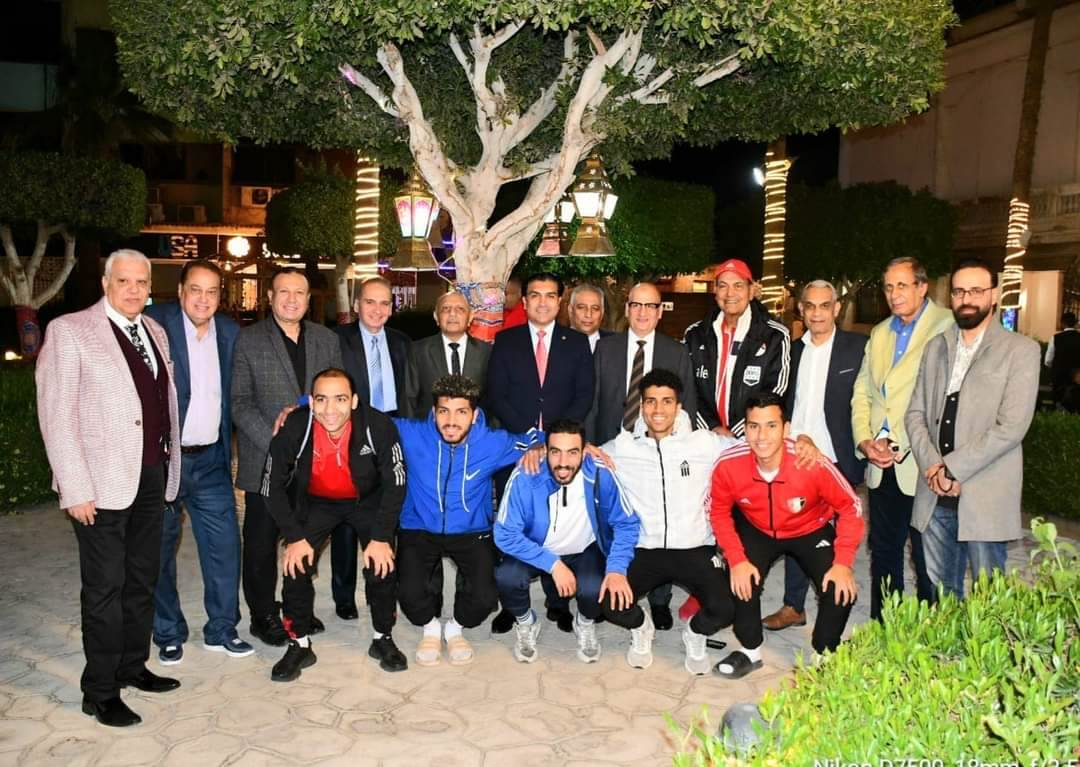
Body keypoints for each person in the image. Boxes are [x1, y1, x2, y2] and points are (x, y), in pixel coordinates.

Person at [36, 249, 182, 727]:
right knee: (104, 589)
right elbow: (57, 416)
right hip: (98, 485)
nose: (134, 289)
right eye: (124, 281)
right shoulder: (70, 331)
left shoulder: (155, 330)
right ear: (105, 283)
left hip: (151, 477)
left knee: (142, 580)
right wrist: (74, 486)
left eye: (141, 282)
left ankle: (131, 666)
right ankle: (99, 691)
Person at [906, 258, 1040, 599]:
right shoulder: (936, 347)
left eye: (976, 290)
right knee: (942, 597)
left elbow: (1012, 426)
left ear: (993, 295)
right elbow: (915, 414)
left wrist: (952, 469)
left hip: (985, 493)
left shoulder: (1020, 351)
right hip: (934, 492)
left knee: (988, 600)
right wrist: (933, 467)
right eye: (959, 291)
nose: (967, 299)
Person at [261, 368, 407, 680]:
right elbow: (270, 487)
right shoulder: (296, 426)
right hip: (316, 502)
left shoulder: (379, 425)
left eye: (340, 399)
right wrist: (293, 537)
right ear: (311, 401)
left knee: (382, 564)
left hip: (365, 501)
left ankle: (382, 638)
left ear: (353, 401)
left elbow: (396, 482)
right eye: (321, 399)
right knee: (295, 564)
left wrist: (382, 536)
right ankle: (300, 644)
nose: (330, 409)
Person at [710, 393, 864, 679]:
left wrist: (843, 562)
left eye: (771, 426)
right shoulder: (729, 464)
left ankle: (825, 654)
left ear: (786, 429)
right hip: (758, 528)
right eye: (754, 426)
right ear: (746, 428)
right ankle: (750, 651)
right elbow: (718, 512)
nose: (762, 436)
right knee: (739, 580)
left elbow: (851, 506)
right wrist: (736, 559)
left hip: (810, 527)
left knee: (840, 588)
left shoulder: (810, 462)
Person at [394, 375, 545, 666]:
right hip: (420, 527)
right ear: (434, 411)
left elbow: (538, 437)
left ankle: (454, 629)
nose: (451, 421)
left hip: (471, 529)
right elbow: (363, 419)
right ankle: (431, 628)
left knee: (485, 597)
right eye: (444, 411)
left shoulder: (492, 442)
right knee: (409, 593)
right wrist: (306, 405)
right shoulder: (412, 433)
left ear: (474, 415)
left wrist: (540, 446)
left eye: (461, 412)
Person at [145, 259, 252, 665]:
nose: (203, 299)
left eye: (212, 291)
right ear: (180, 291)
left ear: (220, 296)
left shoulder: (229, 332)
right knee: (158, 550)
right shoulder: (155, 324)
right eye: (196, 289)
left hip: (211, 460)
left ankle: (222, 629)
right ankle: (168, 632)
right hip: (166, 461)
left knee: (225, 547)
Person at [232, 267, 343, 646]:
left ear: (309, 300)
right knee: (261, 544)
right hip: (264, 459)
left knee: (306, 539)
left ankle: (297, 608)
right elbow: (240, 403)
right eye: (283, 292)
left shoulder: (327, 340)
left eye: (299, 293)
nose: (291, 299)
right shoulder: (249, 340)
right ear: (270, 297)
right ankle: (262, 614)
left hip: (315, 462)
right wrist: (278, 445)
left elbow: (339, 397)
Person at [599, 369, 737, 674]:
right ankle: (642, 628)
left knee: (726, 608)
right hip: (645, 549)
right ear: (642, 407)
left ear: (679, 406)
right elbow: (583, 456)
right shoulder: (623, 447)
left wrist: (798, 444)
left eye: (666, 401)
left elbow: (750, 449)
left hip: (694, 547)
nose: (658, 409)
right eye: (651, 401)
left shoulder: (704, 444)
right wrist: (578, 449)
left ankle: (695, 633)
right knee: (609, 604)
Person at [485, 272, 595, 634]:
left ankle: (557, 602)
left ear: (560, 301)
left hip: (563, 452)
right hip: (517, 448)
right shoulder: (506, 341)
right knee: (513, 522)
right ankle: (511, 602)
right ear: (525, 301)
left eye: (550, 295)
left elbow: (584, 395)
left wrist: (551, 442)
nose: (543, 302)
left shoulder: (576, 343)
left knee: (558, 520)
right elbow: (496, 394)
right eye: (535, 295)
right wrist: (533, 439)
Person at [588, 281, 698, 631]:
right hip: (613, 452)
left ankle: (660, 599)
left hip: (657, 455)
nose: (643, 312)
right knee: (614, 522)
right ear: (627, 308)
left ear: (660, 311)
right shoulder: (605, 348)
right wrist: (590, 446)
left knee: (656, 522)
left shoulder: (675, 352)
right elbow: (592, 402)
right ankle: (616, 583)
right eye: (636, 304)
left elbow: (687, 407)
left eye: (651, 306)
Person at [851, 256, 953, 620]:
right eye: (889, 287)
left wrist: (904, 445)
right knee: (884, 551)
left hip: (925, 463)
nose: (894, 294)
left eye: (903, 285)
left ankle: (929, 630)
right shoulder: (880, 332)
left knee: (928, 556)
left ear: (922, 287)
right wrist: (865, 441)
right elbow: (863, 392)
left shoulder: (947, 326)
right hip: (881, 464)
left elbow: (945, 399)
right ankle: (886, 627)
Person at [764, 280, 867, 632]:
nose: (817, 313)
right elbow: (781, 400)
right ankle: (793, 606)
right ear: (801, 310)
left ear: (836, 308)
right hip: (797, 458)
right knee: (799, 531)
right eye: (810, 306)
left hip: (838, 458)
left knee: (840, 537)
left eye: (825, 305)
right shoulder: (791, 351)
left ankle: (834, 602)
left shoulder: (858, 348)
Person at [495, 419, 639, 664]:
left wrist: (616, 568)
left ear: (584, 451)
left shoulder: (600, 473)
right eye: (555, 452)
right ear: (545, 451)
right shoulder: (526, 474)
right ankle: (526, 623)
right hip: (537, 547)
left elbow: (627, 523)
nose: (563, 462)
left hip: (584, 549)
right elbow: (504, 533)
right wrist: (553, 565)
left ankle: (585, 623)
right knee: (506, 577)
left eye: (572, 452)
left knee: (595, 589)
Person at [334, 276, 414, 621]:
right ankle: (343, 596)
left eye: (384, 303)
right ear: (357, 305)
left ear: (391, 308)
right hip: (350, 432)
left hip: (393, 430)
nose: (377, 309)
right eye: (370, 302)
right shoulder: (338, 340)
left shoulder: (402, 342)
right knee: (345, 517)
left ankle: (380, 589)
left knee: (387, 512)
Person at [684, 259, 790, 438]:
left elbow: (775, 391)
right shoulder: (694, 334)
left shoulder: (775, 336)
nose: (730, 293)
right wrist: (712, 428)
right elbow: (688, 388)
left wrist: (739, 431)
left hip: (754, 439)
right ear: (715, 291)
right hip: (705, 438)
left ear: (751, 291)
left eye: (738, 285)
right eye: (723, 286)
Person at [408, 290, 490, 414]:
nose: (452, 313)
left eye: (460, 309)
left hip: (475, 425)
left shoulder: (487, 353)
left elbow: (493, 399)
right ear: (436, 317)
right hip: (429, 424)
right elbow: (409, 398)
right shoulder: (417, 351)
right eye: (445, 309)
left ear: (470, 317)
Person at [1045, 311, 1079, 410]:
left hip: (1059, 379)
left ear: (1062, 323)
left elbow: (1048, 360)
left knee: (1058, 404)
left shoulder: (1056, 338)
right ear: (1075, 323)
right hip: (1077, 379)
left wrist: (1056, 367)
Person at [568, 283, 610, 351]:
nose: (588, 315)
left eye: (595, 308)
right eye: (581, 307)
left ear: (602, 312)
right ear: (570, 310)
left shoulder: (617, 345)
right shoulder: (554, 342)